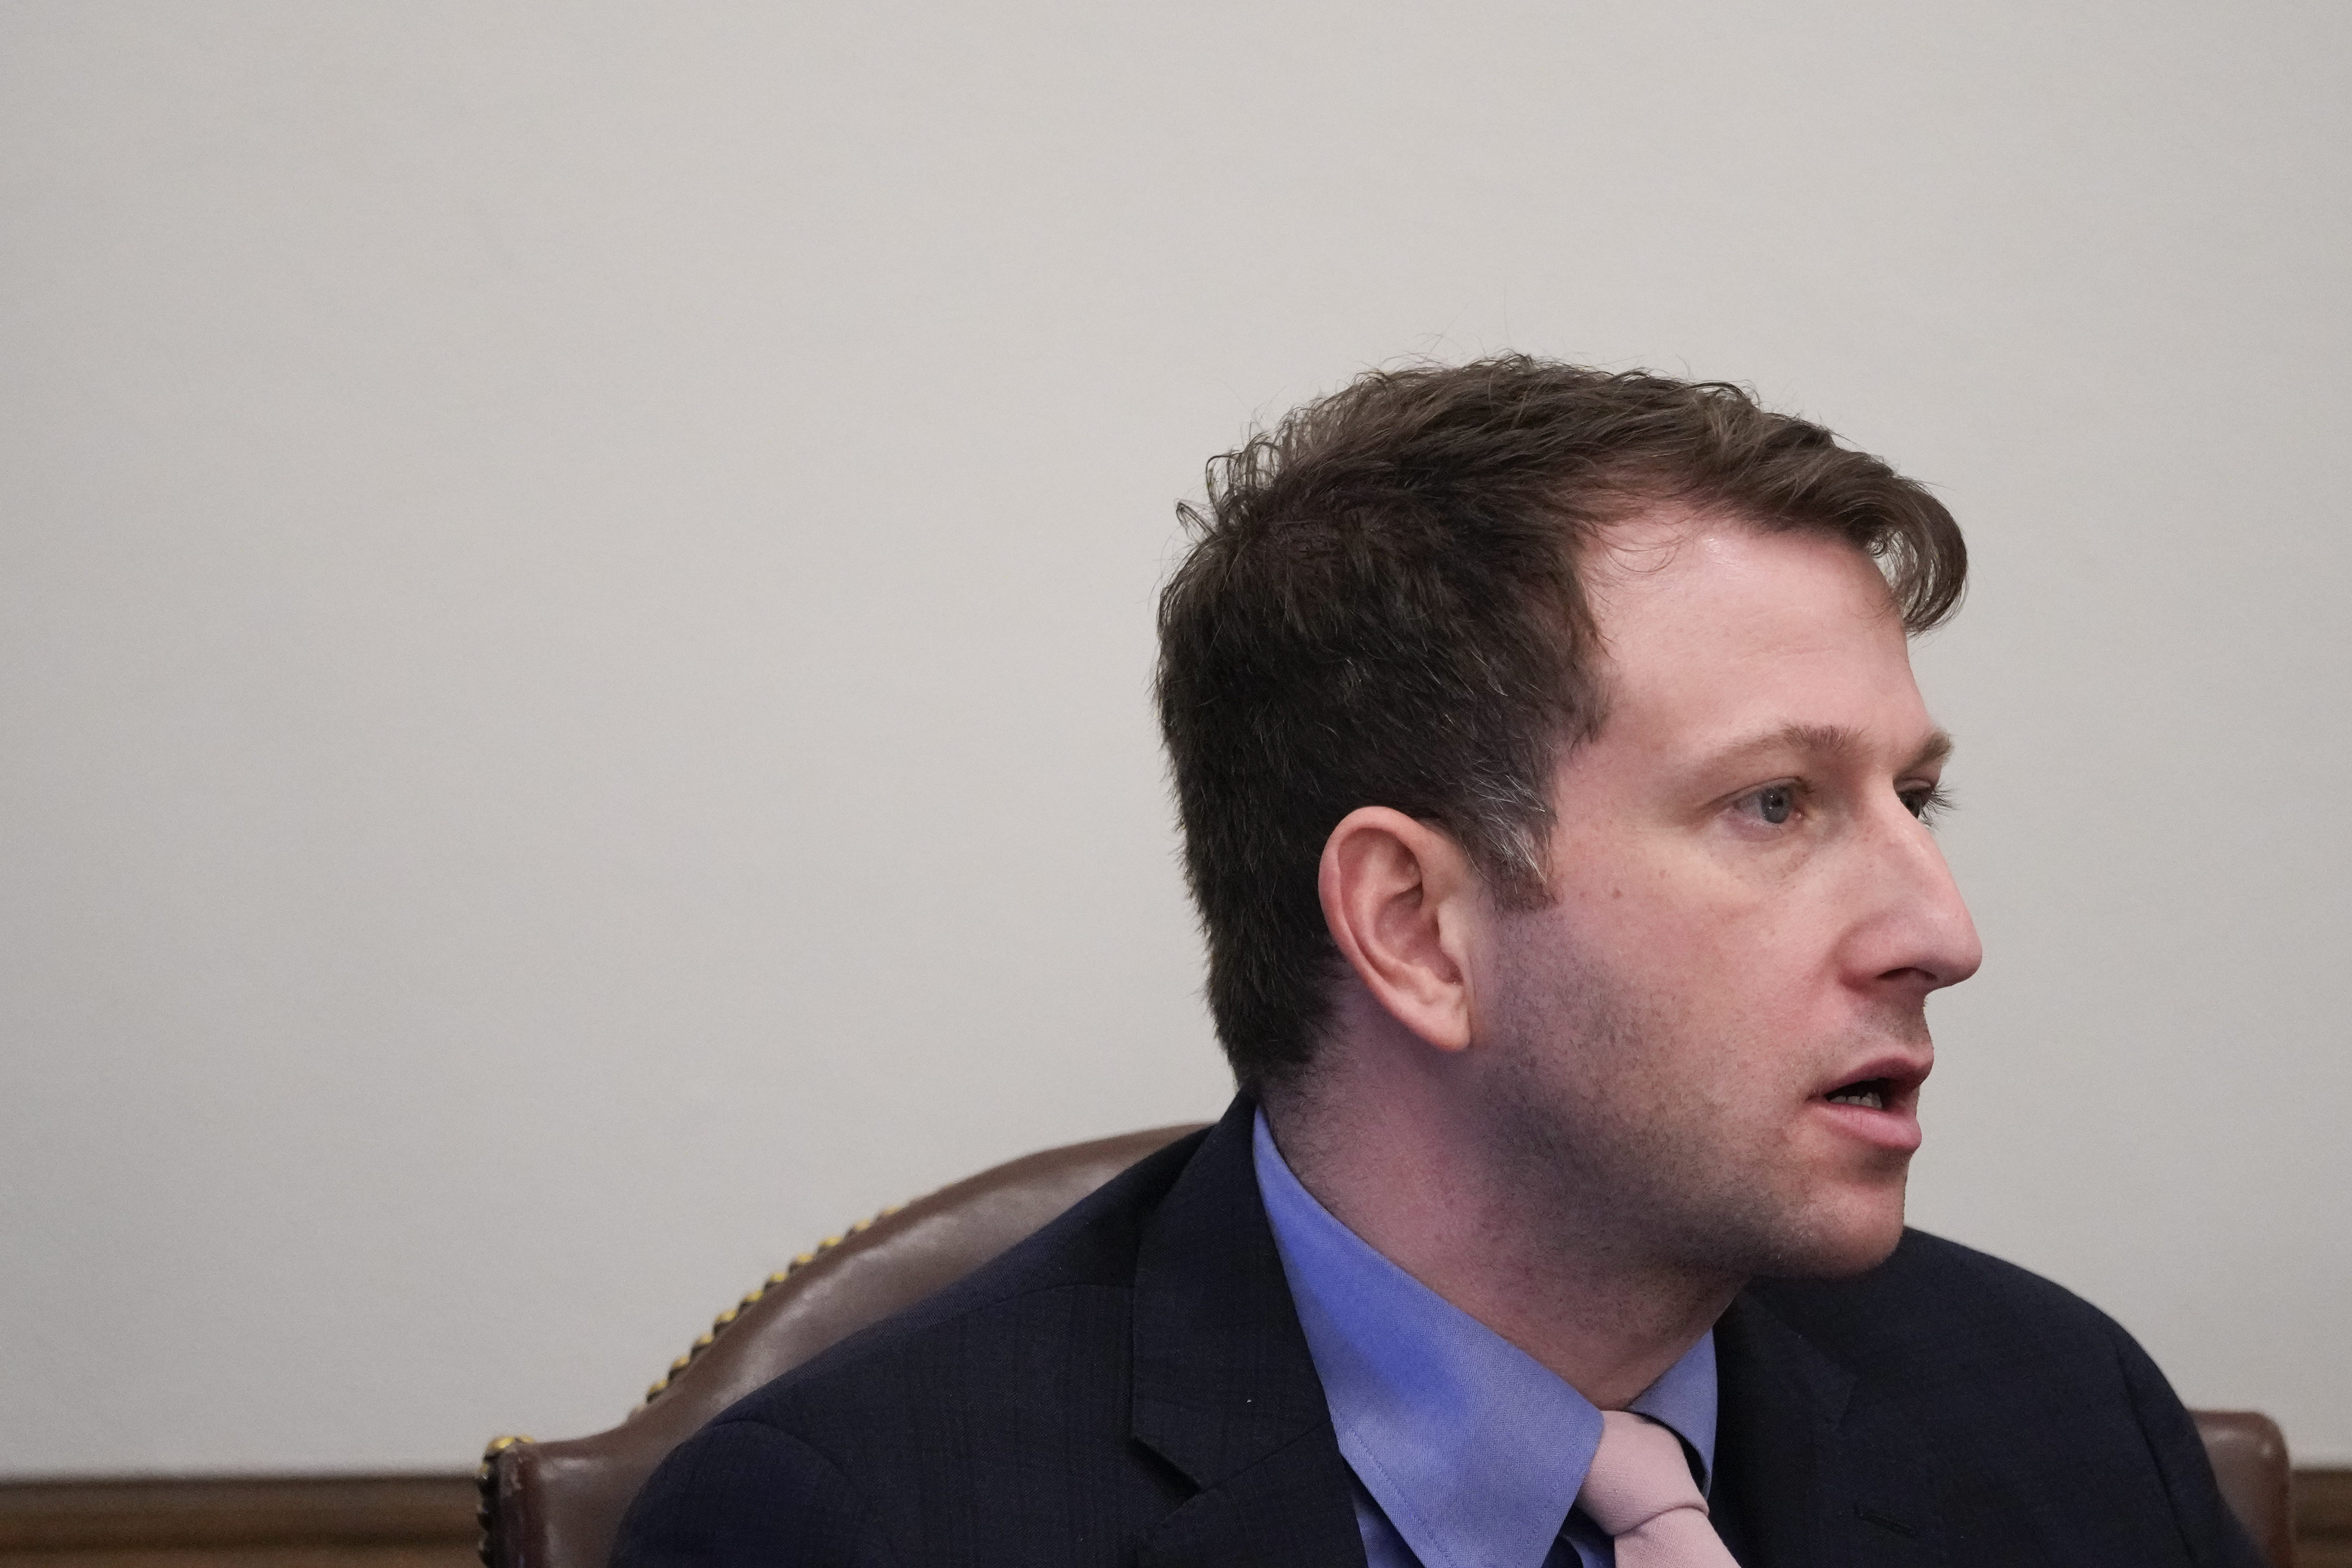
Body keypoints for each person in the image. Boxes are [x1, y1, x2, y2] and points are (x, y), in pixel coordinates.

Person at [614, 359, 2263, 1566]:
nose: (1943, 935)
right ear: (1414, 927)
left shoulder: (2058, 1421)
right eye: (1775, 804)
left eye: (1915, 798)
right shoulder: (864, 1526)